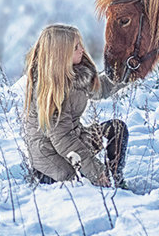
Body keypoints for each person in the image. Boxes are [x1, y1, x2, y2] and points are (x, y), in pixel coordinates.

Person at [22, 24, 128, 187]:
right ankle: (102, 182)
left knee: (116, 128)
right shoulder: (50, 90)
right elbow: (62, 138)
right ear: (60, 54)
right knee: (80, 182)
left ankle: (115, 181)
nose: (82, 50)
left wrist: (127, 74)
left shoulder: (75, 73)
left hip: (74, 139)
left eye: (80, 45)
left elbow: (101, 89)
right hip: (52, 161)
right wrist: (95, 171)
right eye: (76, 47)